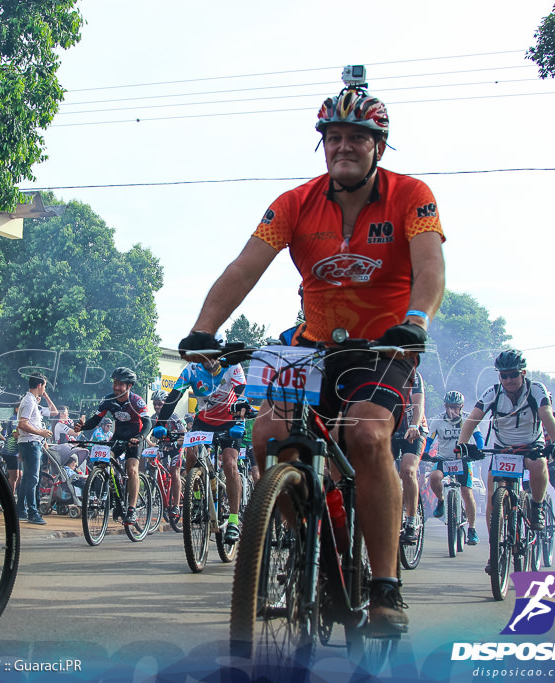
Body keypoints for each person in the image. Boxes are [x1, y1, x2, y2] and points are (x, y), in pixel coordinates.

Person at [174, 74, 446, 635]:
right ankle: (307, 533)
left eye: (356, 137)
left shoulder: (411, 195)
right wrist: (203, 330)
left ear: (378, 146)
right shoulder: (294, 203)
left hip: (383, 344)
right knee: (267, 437)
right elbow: (243, 269)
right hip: (313, 344)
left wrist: (415, 322)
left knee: (367, 436)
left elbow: (429, 268)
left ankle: (384, 586)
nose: (342, 147)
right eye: (332, 138)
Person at [456, 350, 555, 571]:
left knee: (539, 464)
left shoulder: (536, 389)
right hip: (502, 448)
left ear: (523, 373)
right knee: (492, 495)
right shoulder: (493, 392)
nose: (508, 380)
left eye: (513, 375)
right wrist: (462, 444)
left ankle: (536, 507)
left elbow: (546, 415)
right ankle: (494, 550)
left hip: (530, 445)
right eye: (503, 375)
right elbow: (473, 418)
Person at [152, 354, 246, 543]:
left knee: (229, 463)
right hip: (203, 422)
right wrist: (160, 423)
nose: (209, 360)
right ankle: (196, 499)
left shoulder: (232, 366)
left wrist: (240, 420)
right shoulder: (191, 370)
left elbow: (242, 394)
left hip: (229, 421)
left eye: (213, 355)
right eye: (205, 356)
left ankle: (234, 520)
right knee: (192, 456)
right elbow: (174, 396)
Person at [71, 368, 151, 527]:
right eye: (115, 383)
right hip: (118, 437)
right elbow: (95, 420)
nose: (116, 387)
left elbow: (148, 423)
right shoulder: (108, 400)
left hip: (135, 438)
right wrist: (83, 426)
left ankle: (131, 509)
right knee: (102, 463)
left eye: (120, 384)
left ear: (129, 386)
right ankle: (117, 496)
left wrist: (140, 437)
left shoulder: (136, 401)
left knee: (131, 468)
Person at [424, 391, 484, 544]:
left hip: (463, 459)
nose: (453, 411)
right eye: (450, 407)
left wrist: (480, 450)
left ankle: (472, 529)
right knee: (434, 477)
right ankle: (441, 500)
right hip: (443, 458)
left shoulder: (467, 418)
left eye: (456, 407)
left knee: (466, 492)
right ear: (445, 406)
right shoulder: (438, 420)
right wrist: (425, 453)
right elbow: (429, 440)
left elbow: (478, 436)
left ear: (461, 407)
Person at [17, 372, 58, 524]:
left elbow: (53, 412)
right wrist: (41, 432)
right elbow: (22, 423)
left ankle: (21, 509)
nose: (44, 389)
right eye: (44, 386)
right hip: (31, 443)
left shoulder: (31, 400)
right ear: (40, 385)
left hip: (30, 443)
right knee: (32, 479)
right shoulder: (29, 401)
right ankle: (32, 512)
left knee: (28, 478)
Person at [393, 369, 427, 545]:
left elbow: (418, 404)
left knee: (407, 470)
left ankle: (411, 523)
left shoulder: (413, 374)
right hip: (390, 428)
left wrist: (414, 425)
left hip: (413, 428)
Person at [148, 390, 187, 522]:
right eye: (155, 404)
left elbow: (184, 435)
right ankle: (161, 489)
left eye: (160, 404)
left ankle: (175, 505)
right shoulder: (154, 418)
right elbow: (148, 435)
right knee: (153, 464)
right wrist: (149, 443)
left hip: (176, 448)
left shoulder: (174, 417)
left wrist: (176, 443)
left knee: (174, 472)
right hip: (163, 448)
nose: (157, 407)